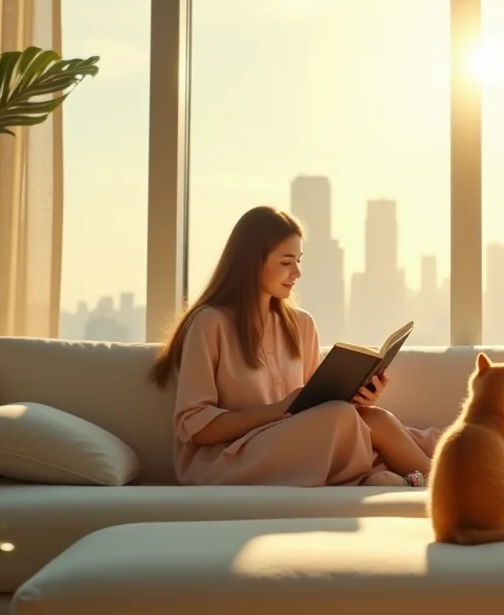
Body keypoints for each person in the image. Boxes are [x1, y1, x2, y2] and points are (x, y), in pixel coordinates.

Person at [149, 206, 441, 488]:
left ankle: (426, 479)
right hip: (230, 459)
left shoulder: (301, 324)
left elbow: (319, 409)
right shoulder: (209, 323)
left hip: (295, 445)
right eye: (287, 262)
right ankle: (423, 480)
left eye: (299, 260)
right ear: (252, 263)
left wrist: (359, 397)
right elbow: (196, 428)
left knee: (375, 418)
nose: (297, 272)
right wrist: (279, 409)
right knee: (343, 418)